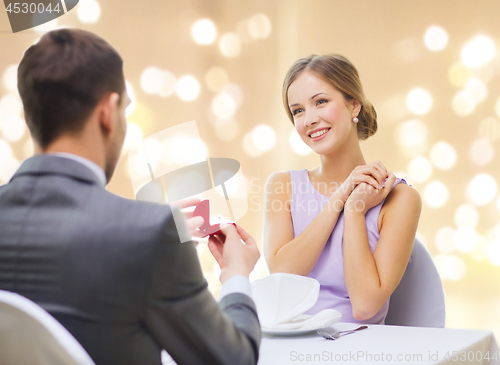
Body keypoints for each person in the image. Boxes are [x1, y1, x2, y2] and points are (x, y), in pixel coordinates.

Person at [0, 28, 261, 365]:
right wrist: (236, 275)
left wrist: (153, 228)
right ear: (108, 112)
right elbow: (233, 360)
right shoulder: (150, 237)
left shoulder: (150, 233)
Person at [263, 54, 421, 325]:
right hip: (286, 346)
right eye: (298, 110)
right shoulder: (282, 186)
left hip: (358, 350)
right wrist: (339, 198)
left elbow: (365, 306)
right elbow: (282, 278)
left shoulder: (400, 198)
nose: (309, 119)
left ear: (354, 105)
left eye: (321, 102)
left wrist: (355, 210)